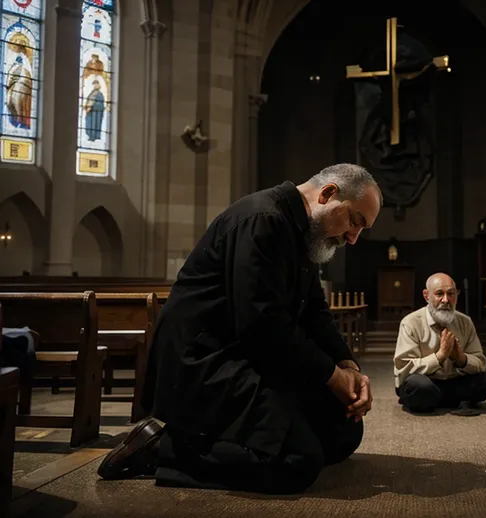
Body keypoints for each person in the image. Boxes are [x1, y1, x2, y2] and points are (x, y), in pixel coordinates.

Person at [97, 164, 382, 494]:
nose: (353, 238)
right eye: (354, 221)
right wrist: (331, 376)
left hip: (250, 353)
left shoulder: (303, 232)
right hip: (207, 361)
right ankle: (161, 447)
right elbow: (261, 326)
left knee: (343, 430)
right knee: (298, 463)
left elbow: (314, 312)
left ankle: (263, 435)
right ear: (327, 194)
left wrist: (349, 368)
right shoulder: (263, 220)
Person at [393, 272, 486, 416]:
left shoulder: (465, 322)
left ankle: (437, 401)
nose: (446, 300)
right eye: (439, 294)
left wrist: (462, 359)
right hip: (428, 383)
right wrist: (440, 356)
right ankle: (455, 401)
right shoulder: (411, 322)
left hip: (454, 382)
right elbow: (403, 368)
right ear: (426, 296)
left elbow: (480, 361)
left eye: (451, 294)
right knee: (418, 386)